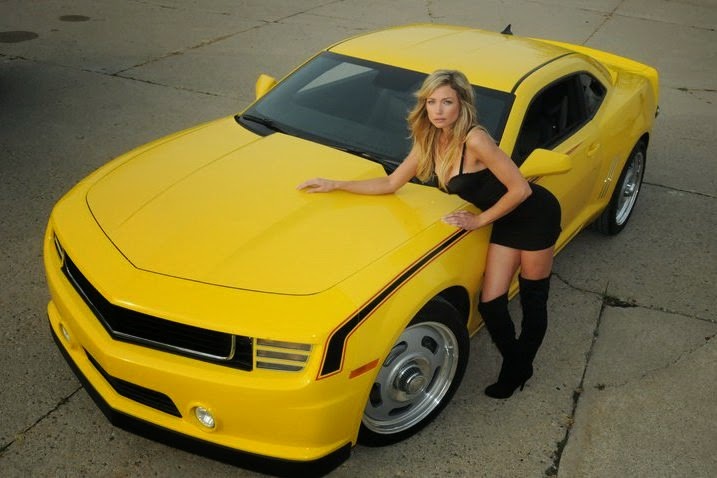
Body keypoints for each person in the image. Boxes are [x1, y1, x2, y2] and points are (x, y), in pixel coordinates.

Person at [297, 70, 561, 399]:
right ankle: (519, 363)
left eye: (446, 102)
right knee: (491, 304)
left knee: (533, 299)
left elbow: (521, 189)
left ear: (462, 104)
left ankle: (516, 368)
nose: (438, 110)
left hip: (534, 216)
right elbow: (391, 183)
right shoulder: (430, 141)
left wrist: (479, 221)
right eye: (431, 102)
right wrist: (336, 184)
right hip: (505, 219)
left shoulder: (475, 140)